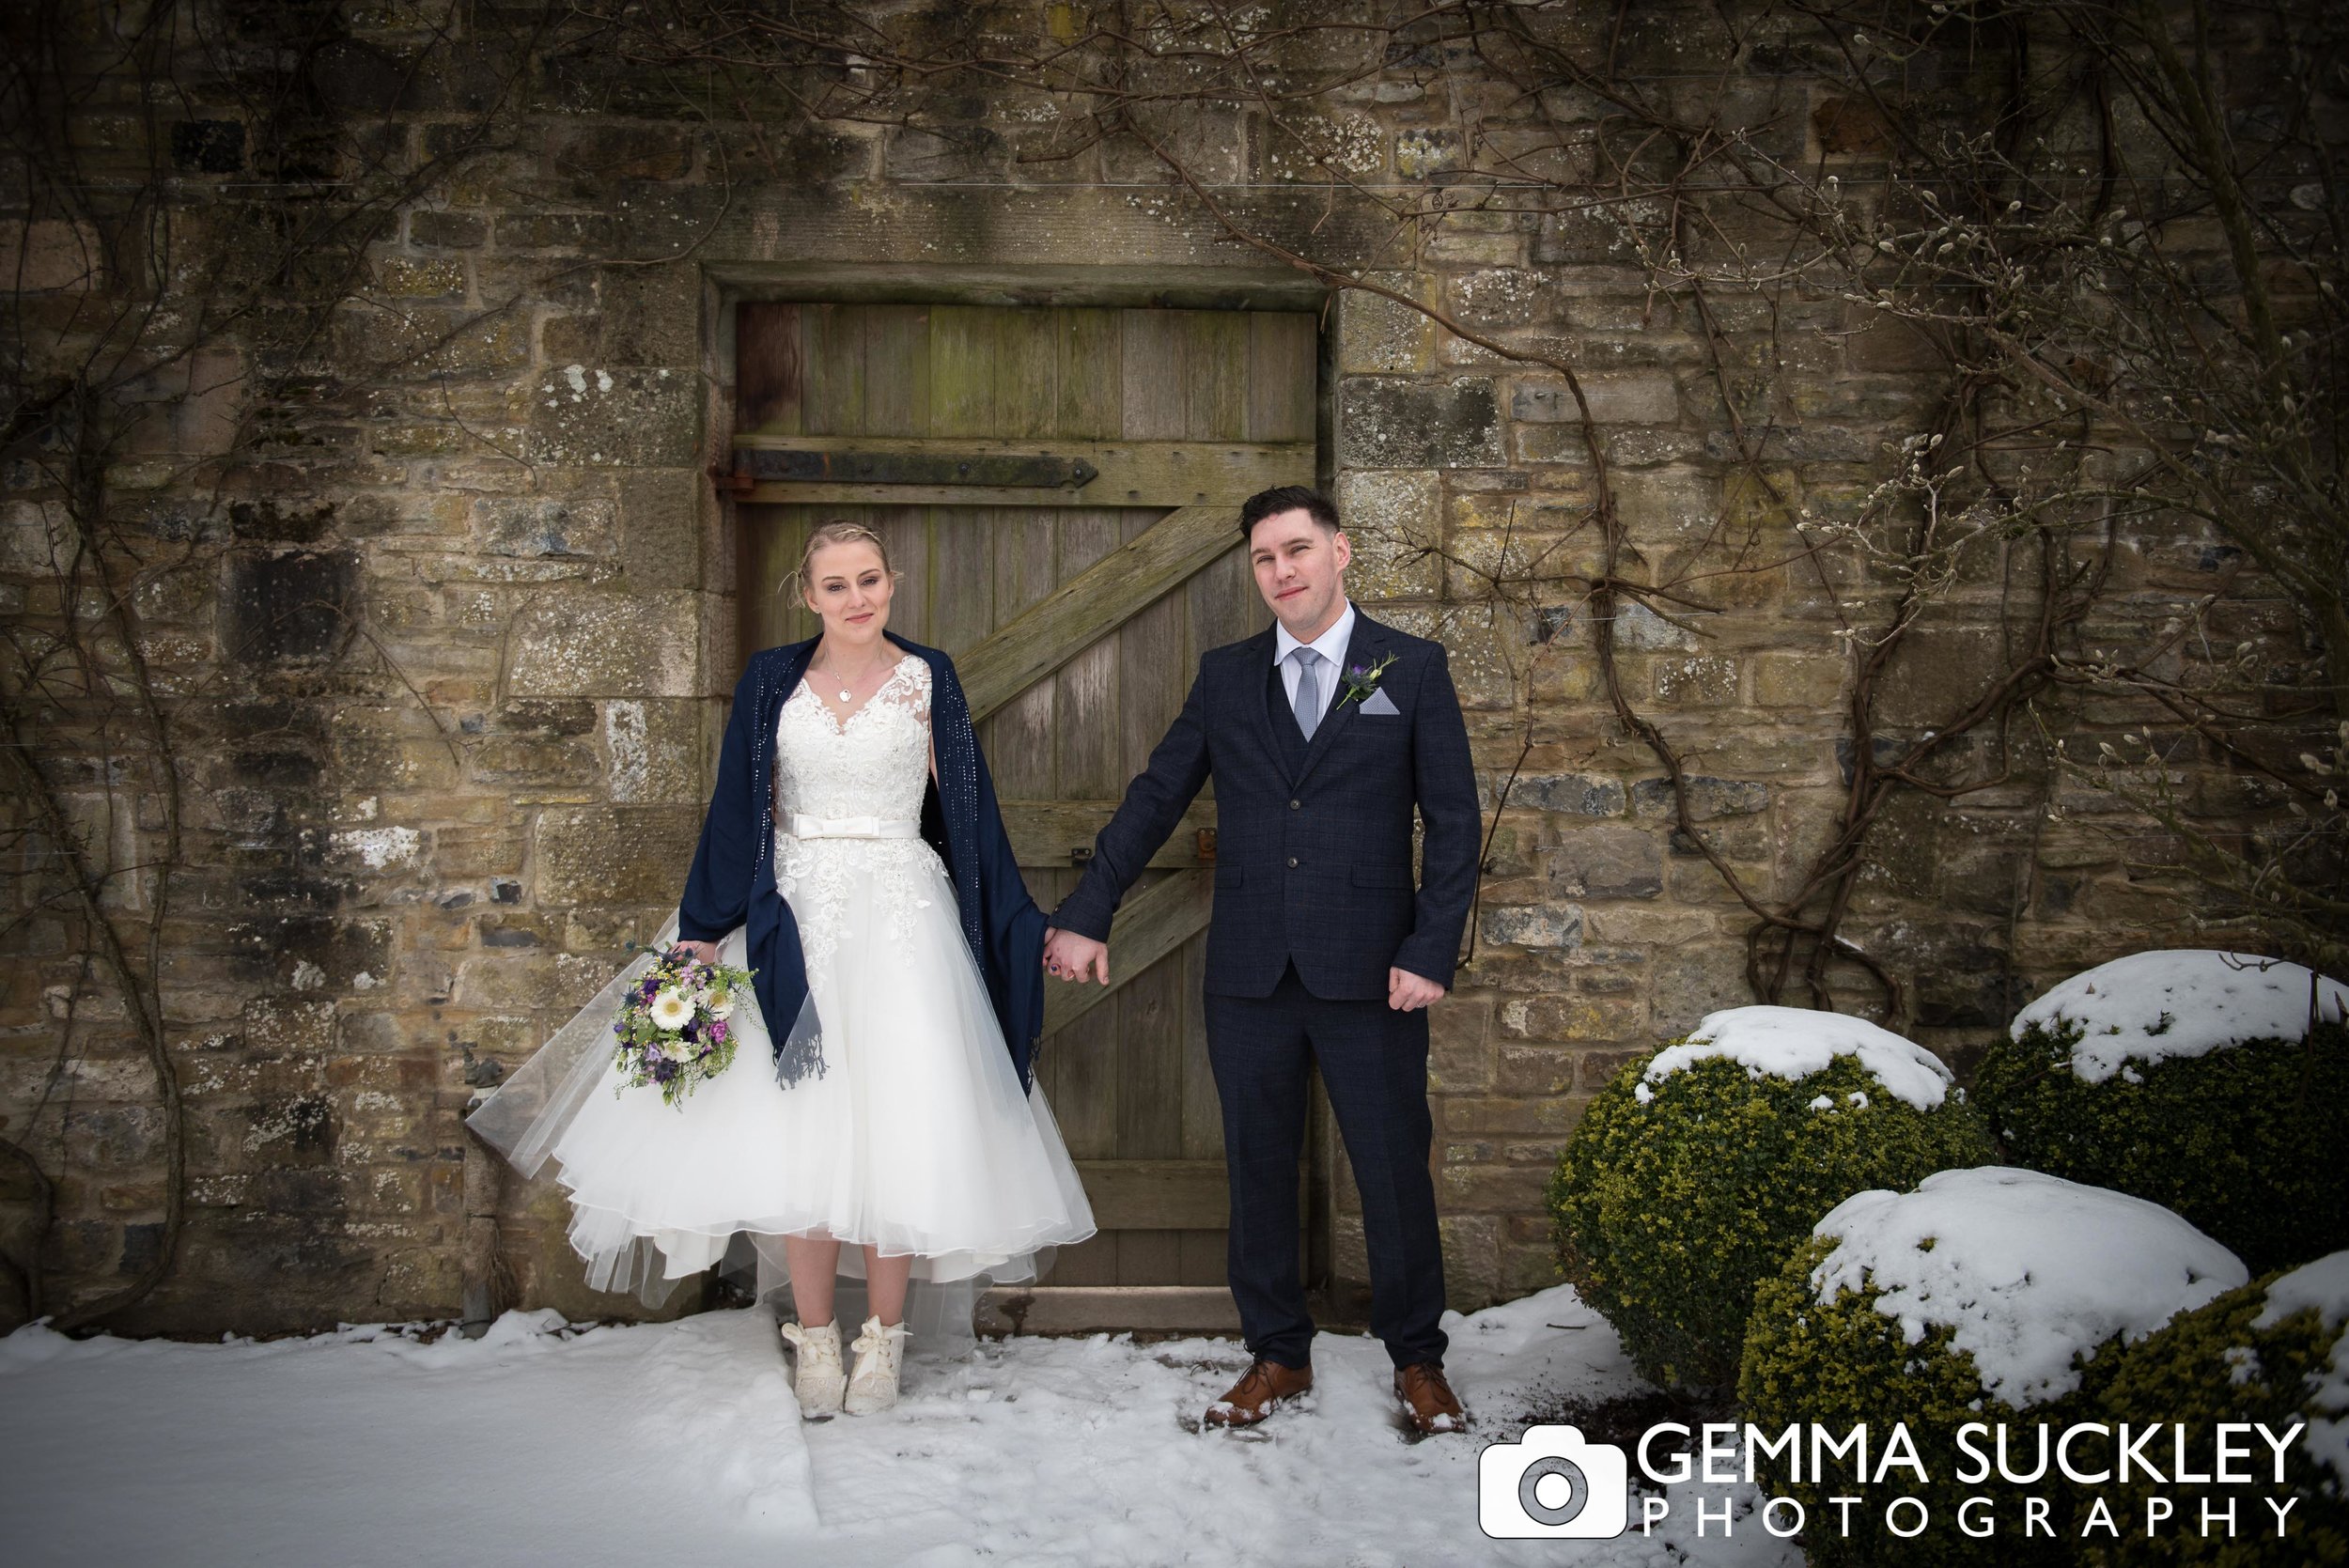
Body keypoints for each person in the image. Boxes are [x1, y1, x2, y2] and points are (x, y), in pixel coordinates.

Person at [469, 520, 1095, 1419]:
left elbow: (969, 812)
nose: (856, 599)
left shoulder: (927, 678)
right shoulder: (770, 680)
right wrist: (702, 925)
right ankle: (815, 1338)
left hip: (903, 921)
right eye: (835, 585)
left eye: (869, 579)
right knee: (801, 1133)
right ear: (809, 594)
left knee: (898, 1129)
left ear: (893, 582)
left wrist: (1016, 920)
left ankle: (883, 1341)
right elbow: (736, 807)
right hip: (791, 919)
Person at [1041, 484, 1480, 1435]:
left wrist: (1430, 948)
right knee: (1258, 1168)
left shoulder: (1409, 667)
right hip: (1249, 971)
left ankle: (1418, 1359)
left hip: (1376, 975)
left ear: (1340, 551)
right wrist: (1087, 913)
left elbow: (1451, 824)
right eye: (1264, 559)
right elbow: (1156, 796)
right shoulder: (1228, 674)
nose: (1281, 572)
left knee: (1393, 1167)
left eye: (1296, 550)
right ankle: (1278, 1353)